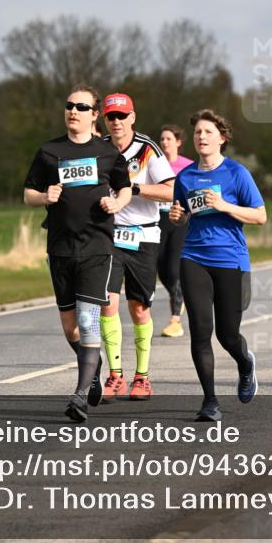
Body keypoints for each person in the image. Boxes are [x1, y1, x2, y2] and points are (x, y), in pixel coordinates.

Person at [23, 86, 132, 422]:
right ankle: (93, 366)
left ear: (94, 114)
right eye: (69, 105)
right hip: (59, 248)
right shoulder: (49, 151)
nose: (73, 111)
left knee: (88, 321)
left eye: (81, 107)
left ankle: (80, 395)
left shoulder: (107, 152)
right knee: (71, 328)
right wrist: (46, 196)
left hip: (97, 248)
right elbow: (28, 193)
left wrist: (116, 203)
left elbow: (125, 187)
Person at [168, 109, 266, 422]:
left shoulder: (237, 173)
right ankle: (210, 401)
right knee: (200, 330)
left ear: (222, 138)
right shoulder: (185, 177)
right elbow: (184, 212)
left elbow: (260, 216)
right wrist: (178, 216)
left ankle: (245, 362)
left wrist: (224, 205)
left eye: (208, 132)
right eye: (197, 132)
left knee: (227, 335)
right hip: (194, 257)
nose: (201, 137)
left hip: (230, 260)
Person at [97, 93, 176, 403]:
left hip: (143, 236)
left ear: (132, 117)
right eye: (110, 116)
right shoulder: (99, 148)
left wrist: (135, 188)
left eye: (121, 116)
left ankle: (142, 376)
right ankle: (115, 375)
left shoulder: (147, 149)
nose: (116, 122)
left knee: (139, 308)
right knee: (107, 304)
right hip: (109, 236)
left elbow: (171, 191)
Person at [156, 124, 194, 338]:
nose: (164, 142)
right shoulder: (154, 164)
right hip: (159, 219)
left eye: (169, 139)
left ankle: (175, 320)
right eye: (162, 139)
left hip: (180, 220)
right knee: (160, 268)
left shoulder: (188, 166)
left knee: (173, 268)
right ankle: (181, 296)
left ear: (178, 142)